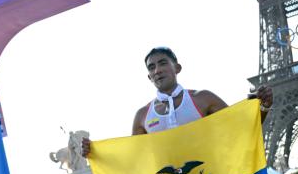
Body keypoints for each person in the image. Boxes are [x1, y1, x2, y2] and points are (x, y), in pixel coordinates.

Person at [82, 47, 273, 156]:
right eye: (152, 67)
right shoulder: (142, 116)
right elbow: (135, 158)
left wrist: (263, 106)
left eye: (163, 63)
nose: (157, 70)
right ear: (149, 77)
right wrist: (96, 153)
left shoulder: (203, 98)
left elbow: (242, 128)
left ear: (178, 68)